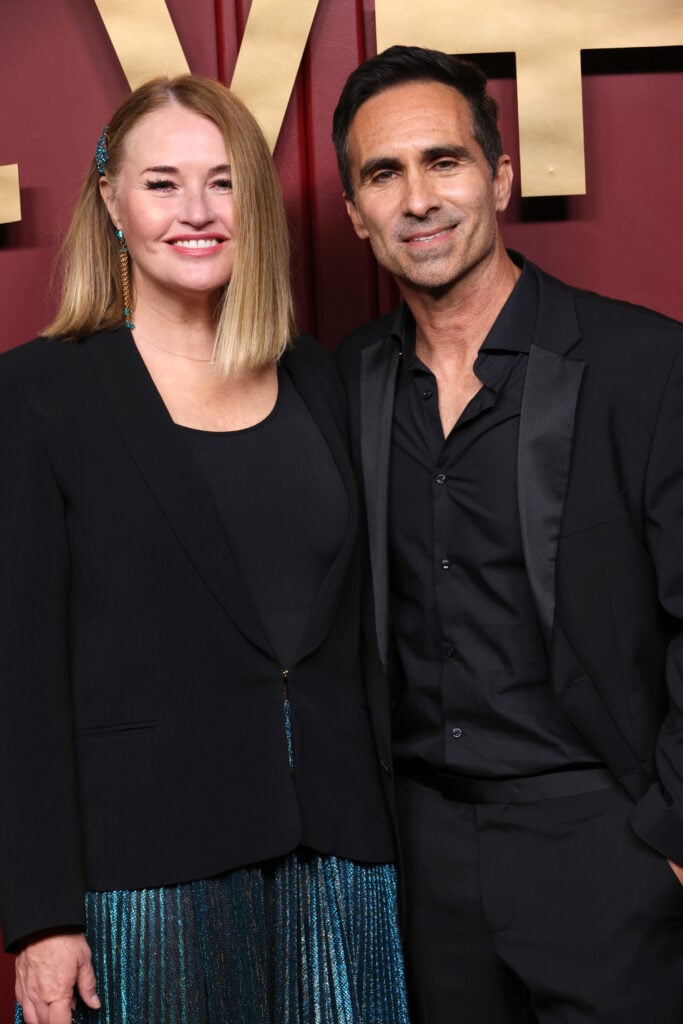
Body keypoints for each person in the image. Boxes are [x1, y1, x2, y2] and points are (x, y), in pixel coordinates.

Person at [0, 73, 410, 1024]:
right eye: (162, 183)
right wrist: (39, 918)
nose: (196, 212)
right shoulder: (37, 395)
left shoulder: (315, 372)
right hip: (144, 874)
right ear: (109, 199)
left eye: (224, 182)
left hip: (340, 864)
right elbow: (18, 676)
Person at [333, 44, 683, 1024]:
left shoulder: (641, 365)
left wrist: (665, 838)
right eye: (382, 173)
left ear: (498, 174)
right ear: (356, 212)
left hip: (600, 842)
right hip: (419, 857)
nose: (417, 198)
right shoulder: (342, 380)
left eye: (442, 161)